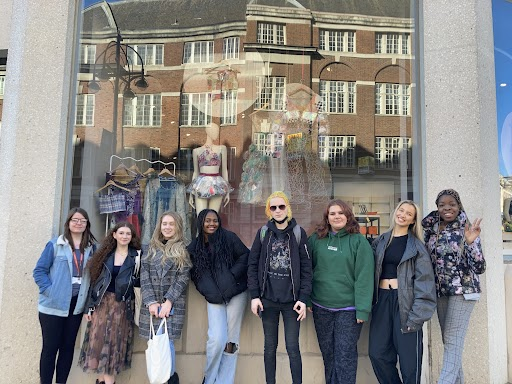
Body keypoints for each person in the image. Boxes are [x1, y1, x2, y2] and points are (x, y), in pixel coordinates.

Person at [247, 191, 312, 384]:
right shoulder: (263, 233)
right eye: (273, 207)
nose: (277, 210)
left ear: (287, 208)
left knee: (293, 348)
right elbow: (252, 264)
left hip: (292, 302)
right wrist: (254, 296)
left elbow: (307, 269)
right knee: (269, 348)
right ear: (269, 210)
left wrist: (303, 298)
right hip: (267, 300)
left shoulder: (299, 233)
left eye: (281, 206)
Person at [369, 200, 436, 384]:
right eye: (401, 210)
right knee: (377, 353)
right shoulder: (380, 241)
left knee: (409, 363)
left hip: (406, 303)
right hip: (382, 301)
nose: (403, 215)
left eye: (409, 214)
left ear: (413, 221)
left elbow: (425, 285)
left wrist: (416, 317)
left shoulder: (417, 248)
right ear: (395, 212)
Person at [307, 199, 374, 384]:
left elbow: (364, 277)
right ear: (327, 218)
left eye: (341, 213)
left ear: (348, 216)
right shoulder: (316, 239)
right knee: (328, 355)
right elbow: (306, 270)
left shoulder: (359, 242)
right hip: (321, 306)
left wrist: (362, 309)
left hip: (349, 309)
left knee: (344, 355)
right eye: (332, 213)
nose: (337, 216)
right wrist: (305, 299)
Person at [422, 189, 485, 384]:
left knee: (452, 340)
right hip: (440, 292)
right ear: (437, 207)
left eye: (452, 204)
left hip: (463, 291)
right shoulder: (432, 230)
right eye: (442, 205)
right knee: (450, 343)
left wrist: (471, 243)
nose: (447, 208)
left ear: (459, 206)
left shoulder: (466, 228)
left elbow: (480, 267)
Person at [33, 207, 97, 384]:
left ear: (87, 225)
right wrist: (50, 292)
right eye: (75, 220)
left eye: (82, 221)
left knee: (68, 348)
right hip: (53, 306)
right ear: (68, 223)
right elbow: (39, 271)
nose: (78, 223)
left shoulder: (91, 249)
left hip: (76, 305)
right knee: (50, 348)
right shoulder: (55, 245)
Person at [187, 209, 249, 384]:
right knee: (216, 339)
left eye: (215, 220)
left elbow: (245, 256)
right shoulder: (194, 247)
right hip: (214, 298)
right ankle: (210, 378)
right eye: (207, 221)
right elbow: (194, 275)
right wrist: (207, 290)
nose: (212, 224)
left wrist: (232, 275)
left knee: (231, 342)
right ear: (201, 222)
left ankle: (224, 381)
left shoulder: (229, 238)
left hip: (237, 292)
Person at [78, 222, 141, 384]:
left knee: (114, 346)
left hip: (123, 306)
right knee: (99, 345)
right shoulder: (104, 255)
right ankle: (104, 381)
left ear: (132, 237)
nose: (124, 236)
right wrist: (88, 308)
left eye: (128, 234)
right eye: (121, 233)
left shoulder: (137, 256)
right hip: (102, 305)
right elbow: (95, 284)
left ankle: (107, 381)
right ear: (114, 235)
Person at [139, 211, 192, 384]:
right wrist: (151, 302)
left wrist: (169, 301)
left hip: (172, 305)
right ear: (159, 226)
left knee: (166, 346)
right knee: (155, 349)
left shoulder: (183, 249)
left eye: (171, 224)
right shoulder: (149, 248)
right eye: (164, 224)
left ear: (177, 227)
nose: (167, 227)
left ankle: (169, 379)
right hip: (152, 306)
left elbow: (183, 277)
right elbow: (144, 276)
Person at [188, 123, 233, 214]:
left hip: (217, 183)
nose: (217, 133)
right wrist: (191, 193)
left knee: (213, 215)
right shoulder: (197, 151)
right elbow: (196, 172)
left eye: (217, 130)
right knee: (201, 216)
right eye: (214, 130)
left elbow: (224, 170)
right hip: (201, 184)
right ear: (207, 131)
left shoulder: (221, 149)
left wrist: (227, 191)